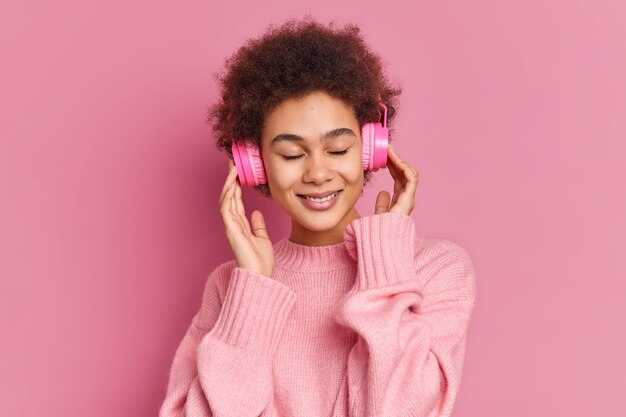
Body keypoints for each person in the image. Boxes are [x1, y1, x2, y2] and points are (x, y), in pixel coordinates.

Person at [159, 16, 476, 417]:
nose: (318, 173)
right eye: (292, 154)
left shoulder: (432, 270)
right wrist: (254, 289)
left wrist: (385, 262)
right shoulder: (230, 288)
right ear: (255, 165)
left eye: (339, 150)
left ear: (370, 152)